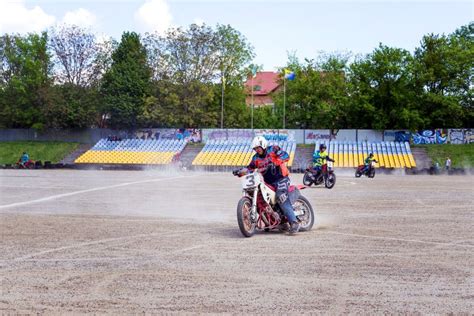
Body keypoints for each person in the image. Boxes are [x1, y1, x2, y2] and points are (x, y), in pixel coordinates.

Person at [234, 136, 300, 234]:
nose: (257, 150)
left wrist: (276, 161)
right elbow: (250, 168)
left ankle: (294, 222)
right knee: (259, 198)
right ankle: (274, 221)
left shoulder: (273, 149)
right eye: (255, 149)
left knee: (281, 196)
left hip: (281, 179)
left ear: (263, 145)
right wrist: (240, 171)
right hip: (267, 183)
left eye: (258, 148)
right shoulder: (255, 158)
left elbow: (285, 155)